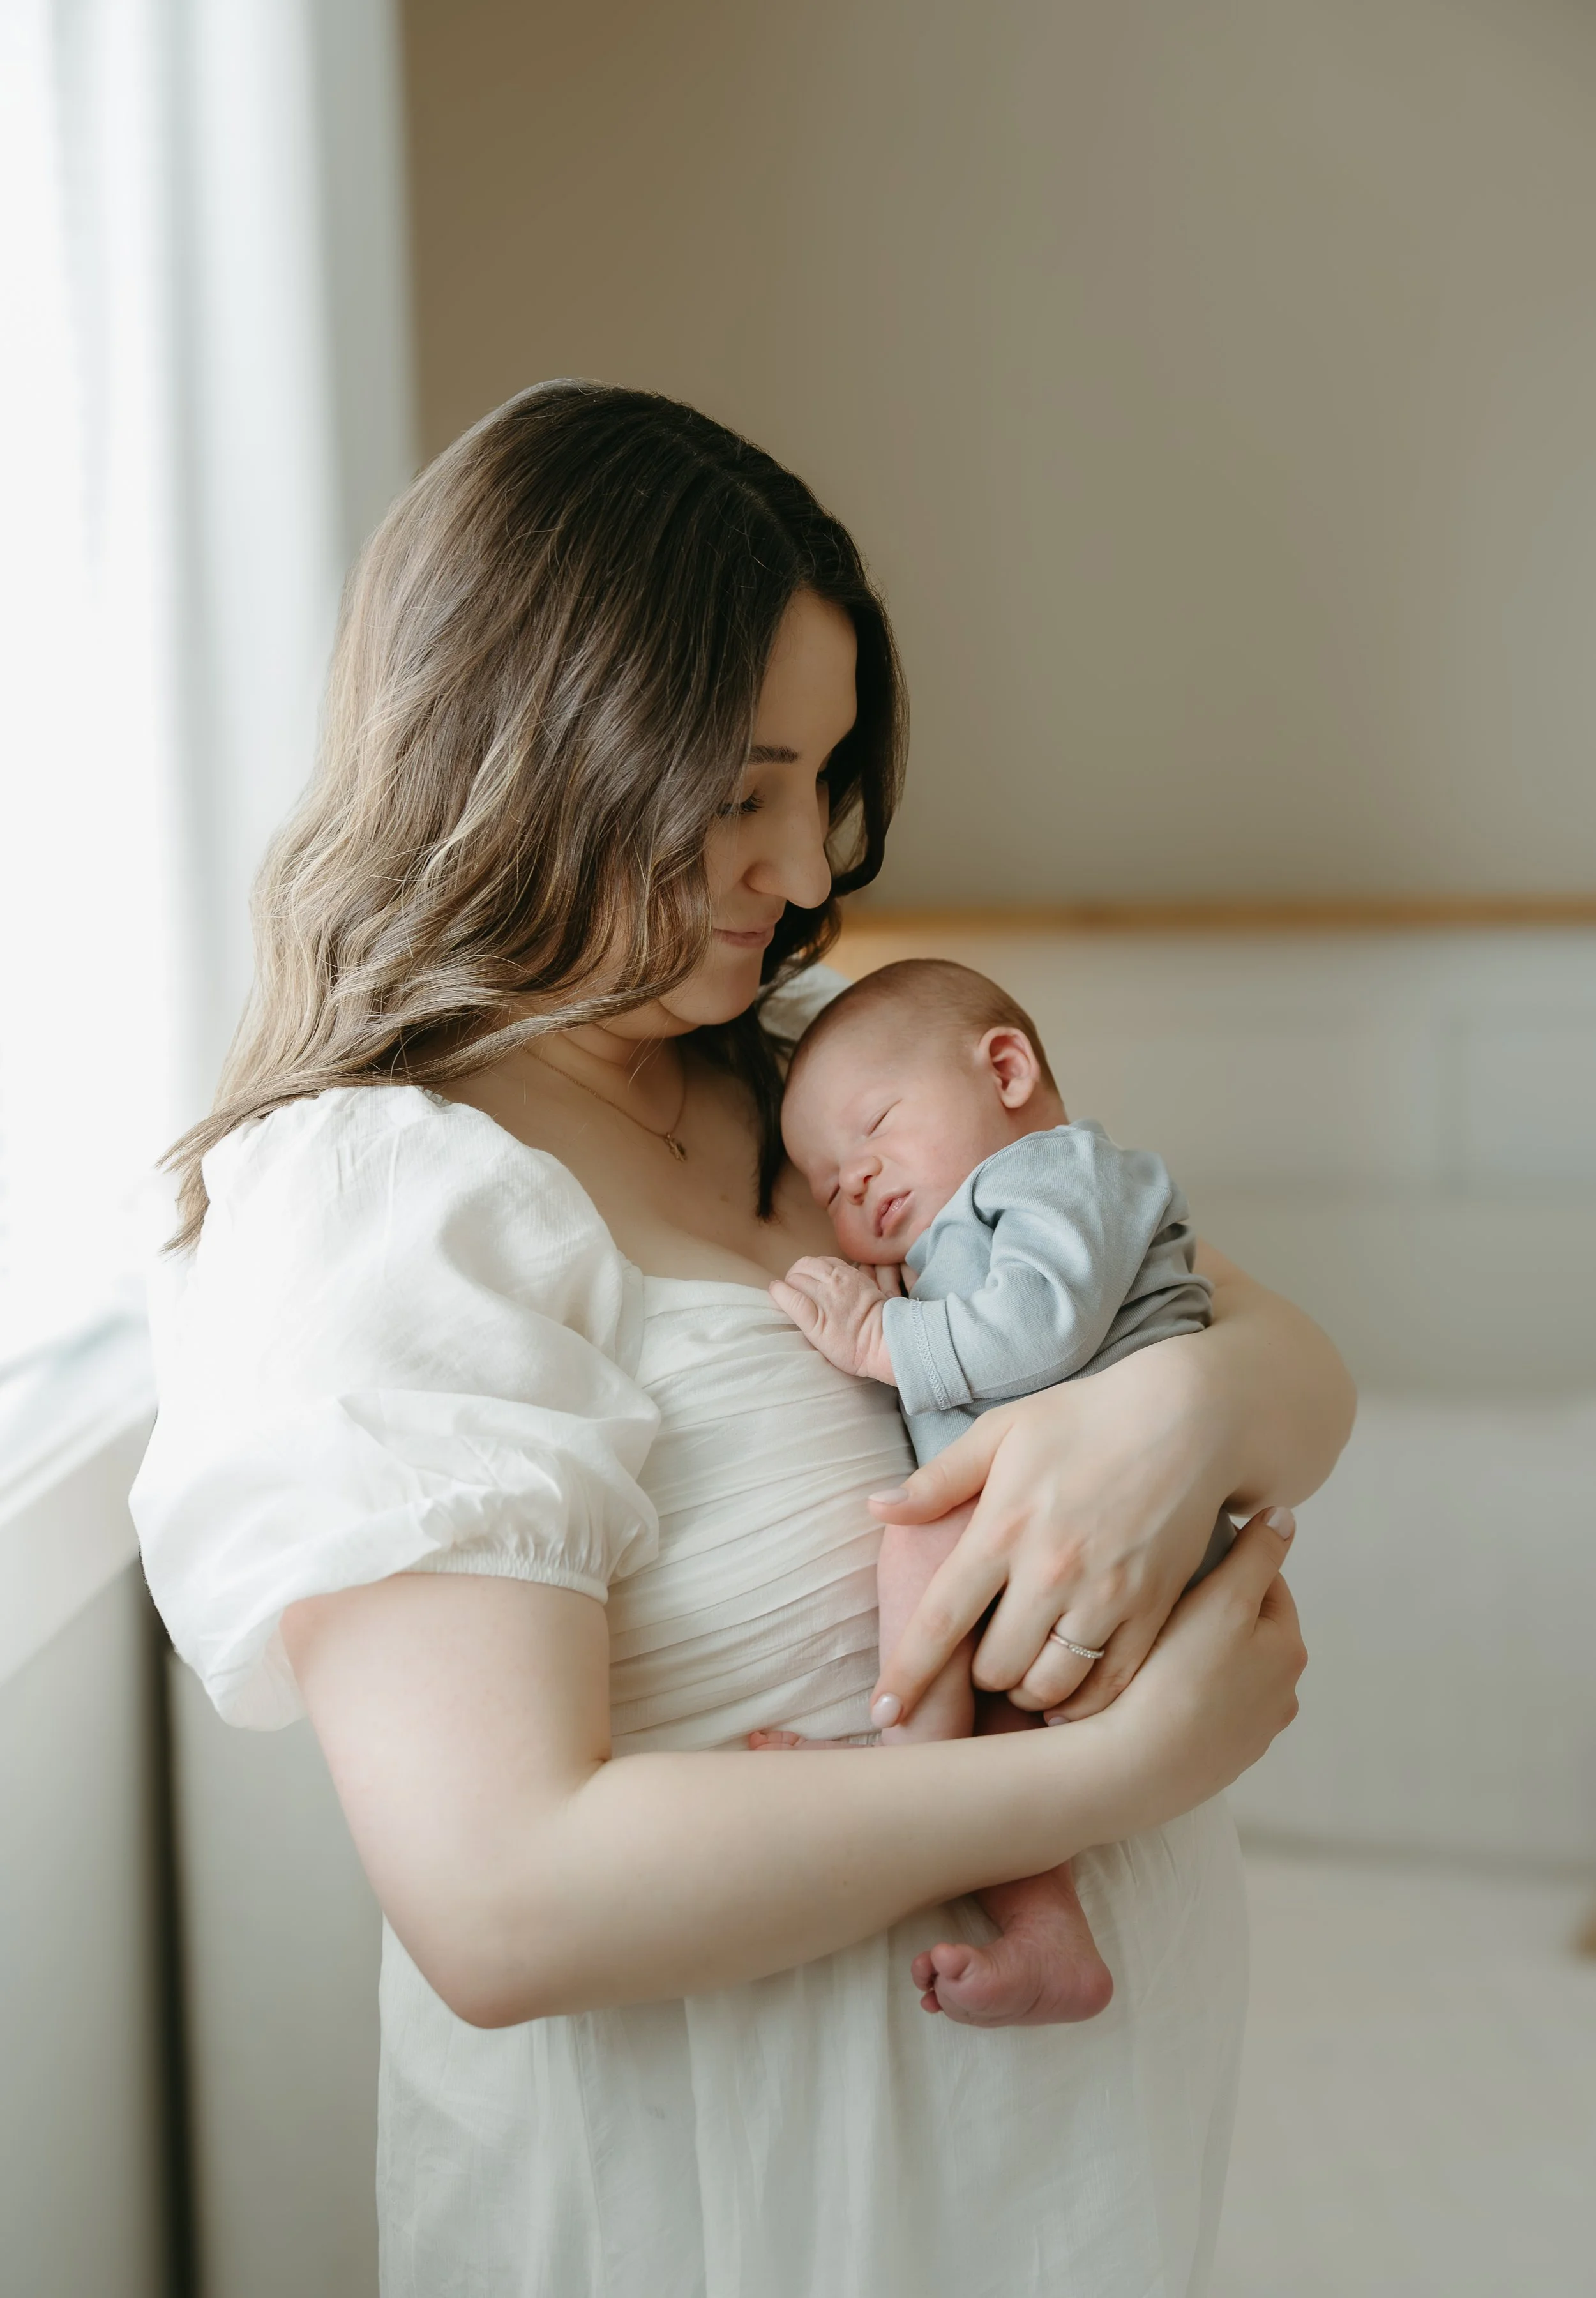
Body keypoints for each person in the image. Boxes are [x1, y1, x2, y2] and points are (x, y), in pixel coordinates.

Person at [130, 382, 1344, 2298]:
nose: (801, 873)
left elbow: (1271, 1350)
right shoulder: (383, 1198)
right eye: (733, 788)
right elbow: (501, 1897)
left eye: (822, 779)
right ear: (535, 751)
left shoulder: (811, 1081)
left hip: (1070, 2177)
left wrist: (1179, 1405)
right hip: (739, 2200)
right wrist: (1107, 1779)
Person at [764, 955, 1239, 2032]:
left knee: (920, 1550)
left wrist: (879, 1332)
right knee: (980, 1700)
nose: (862, 1179)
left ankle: (890, 1788)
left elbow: (1041, 1325)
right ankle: (1046, 1929)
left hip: (1140, 1532)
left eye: (878, 1124)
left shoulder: (1061, 1174)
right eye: (833, 1188)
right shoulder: (955, 1234)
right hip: (1054, 1545)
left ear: (1008, 1067)